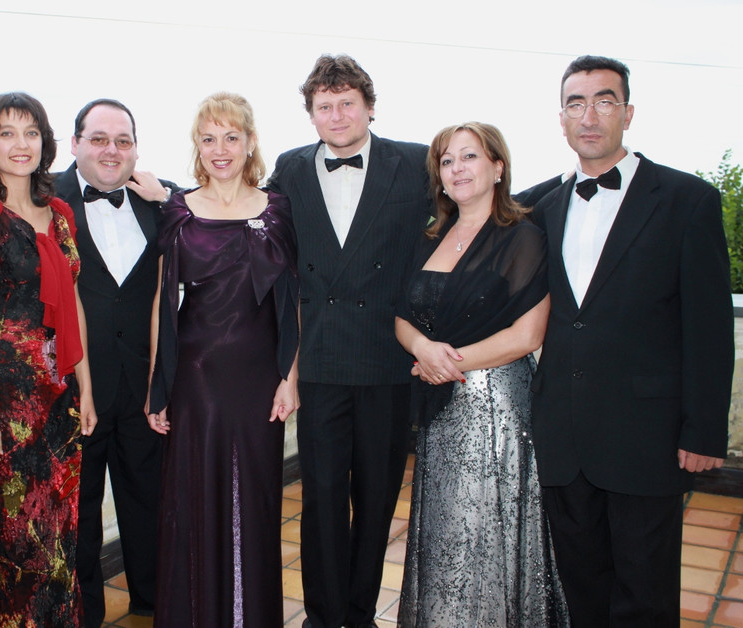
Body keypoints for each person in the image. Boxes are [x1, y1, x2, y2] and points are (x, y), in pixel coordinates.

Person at [532, 55, 733, 626]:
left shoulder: (688, 200)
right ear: (561, 119)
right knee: (581, 591)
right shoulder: (541, 207)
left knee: (645, 595)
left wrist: (703, 430)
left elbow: (710, 327)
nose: (589, 116)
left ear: (629, 113)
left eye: (604, 101)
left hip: (647, 437)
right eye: (575, 103)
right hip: (563, 436)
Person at [265, 54, 428, 628]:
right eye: (324, 106)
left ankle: (359, 614)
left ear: (370, 107)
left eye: (347, 103)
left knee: (378, 500)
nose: (336, 115)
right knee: (321, 500)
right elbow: (242, 213)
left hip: (389, 360)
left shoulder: (416, 163)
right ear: (311, 114)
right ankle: (322, 615)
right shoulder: (289, 168)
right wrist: (171, 196)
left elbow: (471, 209)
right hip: (320, 362)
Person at [394, 122, 568, 627]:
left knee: (488, 532)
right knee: (447, 534)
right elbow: (400, 316)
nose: (457, 169)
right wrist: (423, 348)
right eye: (447, 161)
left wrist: (445, 364)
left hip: (496, 410)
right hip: (440, 409)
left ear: (497, 167)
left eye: (469, 156)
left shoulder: (523, 237)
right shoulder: (429, 237)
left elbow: (528, 335)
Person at [146, 92, 299, 627]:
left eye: (231, 137)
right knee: (194, 502)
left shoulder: (277, 210)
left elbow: (290, 300)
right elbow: (162, 303)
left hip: (259, 380)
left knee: (256, 503)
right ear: (197, 145)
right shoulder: (178, 211)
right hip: (196, 378)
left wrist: (290, 377)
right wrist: (157, 387)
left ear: (250, 142)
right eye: (209, 138)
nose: (220, 149)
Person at [0, 92, 96, 625]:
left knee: (61, 536)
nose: (21, 144)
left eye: (31, 132)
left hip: (61, 397)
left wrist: (86, 387)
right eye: (7, 133)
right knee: (17, 540)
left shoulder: (60, 213)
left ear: (45, 141)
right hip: (9, 406)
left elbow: (74, 303)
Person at [53, 98, 175, 625]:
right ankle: (86, 613)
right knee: (77, 512)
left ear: (136, 150)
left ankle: (154, 601)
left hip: (144, 387)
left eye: (123, 141)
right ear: (75, 143)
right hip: (72, 386)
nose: (111, 150)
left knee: (150, 501)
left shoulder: (162, 201)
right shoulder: (41, 199)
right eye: (99, 139)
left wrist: (169, 199)